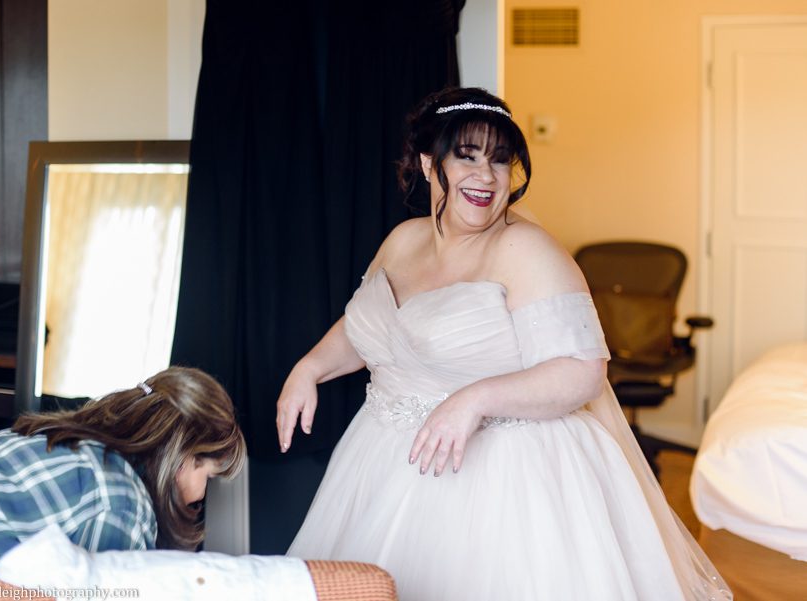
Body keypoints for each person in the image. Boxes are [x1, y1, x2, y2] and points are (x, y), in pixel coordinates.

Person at [276, 87, 731, 600]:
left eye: (499, 160)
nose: (486, 176)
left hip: (503, 475)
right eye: (466, 157)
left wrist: (475, 399)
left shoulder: (527, 250)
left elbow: (582, 372)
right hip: (382, 456)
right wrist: (309, 368)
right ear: (429, 164)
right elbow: (369, 330)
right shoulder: (403, 240)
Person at [0, 366, 245, 592]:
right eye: (208, 476)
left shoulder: (57, 435)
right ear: (183, 457)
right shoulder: (122, 504)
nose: (201, 496)